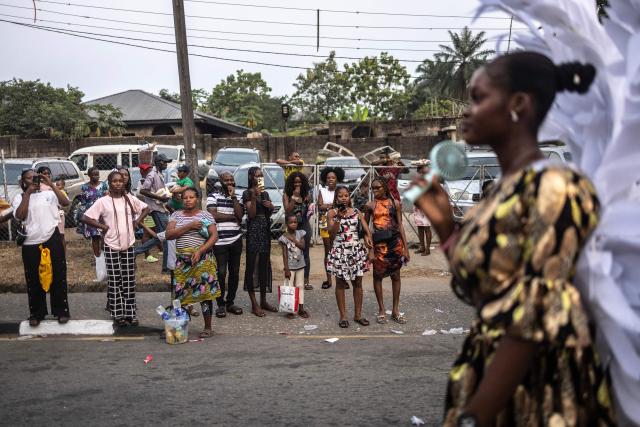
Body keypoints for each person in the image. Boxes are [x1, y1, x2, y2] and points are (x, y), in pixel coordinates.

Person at [412, 52, 614, 426]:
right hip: (490, 376)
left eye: (478, 98)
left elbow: (538, 311)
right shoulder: (500, 192)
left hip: (539, 388)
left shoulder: (556, 186)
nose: (466, 112)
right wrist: (443, 226)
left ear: (518, 104)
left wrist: (476, 414)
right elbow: (485, 293)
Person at [82, 171, 149, 326]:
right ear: (110, 184)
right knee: (115, 280)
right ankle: (118, 314)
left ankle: (130, 314)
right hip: (111, 245)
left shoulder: (130, 199)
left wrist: (137, 221)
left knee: (129, 280)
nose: (118, 183)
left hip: (128, 245)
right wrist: (102, 226)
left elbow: (145, 208)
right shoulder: (103, 201)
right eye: (114, 181)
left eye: (120, 181)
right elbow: (85, 217)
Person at [13, 168, 70, 326]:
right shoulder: (19, 197)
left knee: (58, 275)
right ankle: (37, 313)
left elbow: (65, 203)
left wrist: (51, 184)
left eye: (35, 177)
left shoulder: (50, 193)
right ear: (23, 182)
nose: (33, 180)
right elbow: (20, 215)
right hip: (31, 242)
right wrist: (28, 194)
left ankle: (61, 311)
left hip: (52, 237)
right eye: (29, 178)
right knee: (33, 278)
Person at [166, 187, 220, 338]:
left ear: (197, 199)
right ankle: (179, 327)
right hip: (183, 260)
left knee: (205, 293)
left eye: (191, 197)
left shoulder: (206, 215)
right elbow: (169, 235)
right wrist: (189, 226)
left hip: (202, 259)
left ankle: (208, 327)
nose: (188, 200)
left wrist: (200, 251)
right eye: (185, 197)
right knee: (180, 294)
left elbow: (214, 236)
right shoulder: (176, 215)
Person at [364, 176, 410, 324]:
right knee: (377, 276)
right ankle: (382, 310)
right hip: (379, 246)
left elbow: (401, 225)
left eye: (378, 187)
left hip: (395, 244)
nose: (375, 190)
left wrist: (406, 248)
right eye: (373, 188)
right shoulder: (370, 206)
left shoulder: (395, 203)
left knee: (396, 276)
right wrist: (369, 250)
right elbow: (365, 229)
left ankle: (395, 310)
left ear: (385, 187)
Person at [326, 186, 373, 328]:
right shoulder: (331, 213)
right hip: (340, 252)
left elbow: (366, 231)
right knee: (340, 284)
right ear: (336, 198)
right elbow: (331, 235)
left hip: (355, 252)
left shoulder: (357, 212)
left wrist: (369, 244)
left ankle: (358, 315)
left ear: (349, 197)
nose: (344, 198)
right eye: (340, 196)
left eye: (346, 195)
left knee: (357, 284)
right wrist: (339, 218)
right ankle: (343, 316)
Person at [206, 171, 244, 318]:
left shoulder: (238, 197)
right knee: (221, 273)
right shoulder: (213, 196)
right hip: (219, 241)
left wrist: (233, 198)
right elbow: (212, 215)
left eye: (231, 180)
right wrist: (232, 216)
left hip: (236, 239)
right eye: (226, 180)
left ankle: (230, 302)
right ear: (220, 182)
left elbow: (240, 216)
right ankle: (220, 304)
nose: (229, 183)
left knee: (234, 272)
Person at [243, 166, 277, 317]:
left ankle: (263, 300)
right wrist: (254, 197)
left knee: (264, 266)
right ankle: (254, 304)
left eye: (261, 175)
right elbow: (251, 215)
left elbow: (269, 212)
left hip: (264, 230)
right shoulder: (247, 193)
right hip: (254, 230)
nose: (260, 178)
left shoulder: (266, 192)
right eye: (257, 175)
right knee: (252, 266)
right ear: (251, 177)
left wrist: (271, 206)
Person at [138, 153, 171, 272]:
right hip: (156, 209)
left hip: (160, 208)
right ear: (158, 162)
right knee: (167, 236)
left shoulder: (159, 174)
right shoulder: (152, 174)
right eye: (164, 162)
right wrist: (160, 198)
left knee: (161, 237)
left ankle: (134, 252)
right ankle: (166, 268)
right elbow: (143, 190)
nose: (166, 164)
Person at [282, 171, 313, 291]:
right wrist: (294, 197)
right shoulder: (287, 195)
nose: (297, 184)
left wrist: (304, 198)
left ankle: (305, 281)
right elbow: (288, 211)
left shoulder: (306, 195)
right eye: (295, 182)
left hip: (304, 225)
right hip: (292, 227)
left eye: (300, 182)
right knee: (291, 252)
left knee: (305, 253)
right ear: (291, 183)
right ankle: (292, 279)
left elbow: (307, 210)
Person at [317, 166, 345, 290]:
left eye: (333, 177)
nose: (330, 179)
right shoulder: (322, 191)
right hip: (324, 221)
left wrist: (328, 206)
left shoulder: (341, 191)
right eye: (328, 177)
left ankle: (342, 279)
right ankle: (328, 279)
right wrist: (332, 206)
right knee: (328, 250)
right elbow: (320, 206)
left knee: (340, 250)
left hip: (338, 221)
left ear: (337, 178)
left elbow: (343, 205)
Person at [278, 214, 310, 319]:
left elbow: (303, 246)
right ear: (287, 224)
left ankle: (301, 308)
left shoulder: (300, 234)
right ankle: (290, 309)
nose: (293, 224)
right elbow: (284, 254)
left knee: (300, 286)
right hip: (290, 267)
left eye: (295, 222)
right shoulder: (283, 238)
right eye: (291, 222)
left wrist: (293, 240)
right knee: (289, 287)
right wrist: (286, 268)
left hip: (300, 265)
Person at [74, 166, 109, 259]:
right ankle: (97, 257)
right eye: (93, 175)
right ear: (89, 175)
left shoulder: (104, 185)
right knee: (94, 236)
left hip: (102, 214)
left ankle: (105, 256)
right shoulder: (84, 187)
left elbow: (107, 198)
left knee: (103, 235)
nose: (96, 176)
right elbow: (83, 201)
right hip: (90, 215)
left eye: (97, 174)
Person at [412, 164, 432, 256]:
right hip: (417, 206)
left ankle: (427, 249)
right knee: (420, 227)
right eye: (419, 171)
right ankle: (422, 247)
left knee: (427, 228)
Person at [55, 178, 68, 253]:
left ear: (63, 186)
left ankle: (63, 253)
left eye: (59, 185)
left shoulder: (62, 192)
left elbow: (64, 203)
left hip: (59, 214)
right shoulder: (55, 191)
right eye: (56, 185)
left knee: (61, 234)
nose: (57, 186)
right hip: (55, 213)